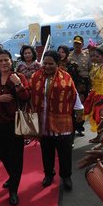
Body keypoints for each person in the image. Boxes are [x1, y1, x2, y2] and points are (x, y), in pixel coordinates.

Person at [0, 50, 30, 205]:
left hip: (16, 123)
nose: (3, 63)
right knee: (2, 153)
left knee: (16, 157)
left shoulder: (19, 77)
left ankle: (13, 190)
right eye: (0, 61)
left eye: (6, 60)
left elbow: (26, 97)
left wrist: (18, 83)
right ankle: (13, 176)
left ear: (11, 61)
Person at [30, 50, 78, 190]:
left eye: (51, 63)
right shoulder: (35, 77)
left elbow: (74, 95)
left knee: (64, 153)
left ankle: (66, 176)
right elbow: (29, 95)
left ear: (58, 64)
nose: (47, 66)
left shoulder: (66, 77)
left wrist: (79, 112)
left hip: (62, 124)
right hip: (43, 123)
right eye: (45, 63)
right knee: (46, 151)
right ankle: (49, 174)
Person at [68, 35, 92, 136]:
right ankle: (73, 126)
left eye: (78, 44)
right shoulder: (69, 55)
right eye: (75, 43)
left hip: (84, 83)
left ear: (82, 44)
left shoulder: (87, 55)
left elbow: (91, 69)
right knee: (72, 104)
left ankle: (80, 127)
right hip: (72, 82)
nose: (76, 45)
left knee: (81, 105)